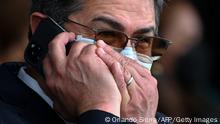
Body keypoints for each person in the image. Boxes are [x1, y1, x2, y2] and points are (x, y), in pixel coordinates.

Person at [0, 0, 172, 123]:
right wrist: (101, 109)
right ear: (44, 30)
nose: (127, 58)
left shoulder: (152, 118)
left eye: (143, 40)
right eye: (107, 35)